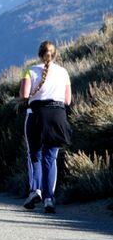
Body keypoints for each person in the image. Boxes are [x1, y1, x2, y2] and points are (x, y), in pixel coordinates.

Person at [19, 40, 71, 214]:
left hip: (35, 116)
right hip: (57, 116)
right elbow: (68, 101)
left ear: (39, 54)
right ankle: (49, 199)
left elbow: (24, 95)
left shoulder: (30, 70)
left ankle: (35, 191)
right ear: (54, 54)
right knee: (51, 158)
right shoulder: (63, 72)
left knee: (34, 155)